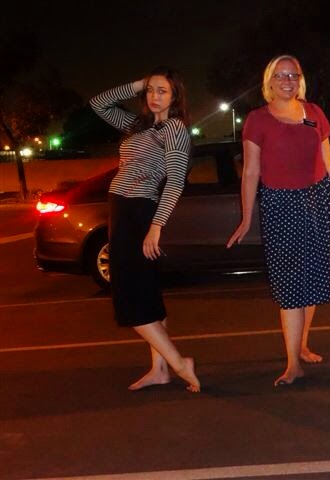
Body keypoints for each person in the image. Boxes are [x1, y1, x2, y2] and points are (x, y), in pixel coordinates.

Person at [227, 54, 330, 386]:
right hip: (280, 205)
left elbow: (329, 162)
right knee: (290, 283)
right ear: (269, 81)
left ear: (300, 80)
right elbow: (251, 172)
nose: (287, 81)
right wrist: (246, 218)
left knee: (313, 279)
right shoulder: (257, 120)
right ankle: (293, 364)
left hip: (317, 200)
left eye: (293, 75)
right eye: (280, 75)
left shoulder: (314, 112)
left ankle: (301, 345)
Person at [90, 66, 200, 392]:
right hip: (122, 209)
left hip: (139, 211)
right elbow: (98, 103)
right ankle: (160, 369)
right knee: (148, 293)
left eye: (162, 91)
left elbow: (176, 181)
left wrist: (156, 225)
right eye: (151, 90)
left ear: (175, 96)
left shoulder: (174, 128)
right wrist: (139, 83)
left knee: (129, 295)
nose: (154, 96)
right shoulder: (137, 125)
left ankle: (180, 364)